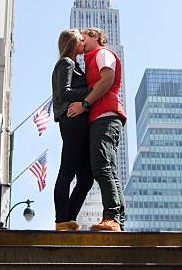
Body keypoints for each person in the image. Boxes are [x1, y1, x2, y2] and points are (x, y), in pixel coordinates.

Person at [67, 27, 127, 232]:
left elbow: (107, 79)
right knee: (106, 167)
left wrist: (83, 104)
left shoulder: (103, 53)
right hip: (100, 117)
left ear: (94, 37)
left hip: (106, 115)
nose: (81, 44)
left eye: (83, 39)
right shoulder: (90, 60)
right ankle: (117, 220)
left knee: (102, 166)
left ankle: (111, 217)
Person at [51, 29, 94, 231]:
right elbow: (64, 92)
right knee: (66, 172)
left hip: (78, 122)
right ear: (73, 42)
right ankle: (61, 220)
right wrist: (92, 90)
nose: (83, 42)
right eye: (80, 39)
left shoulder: (74, 64)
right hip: (72, 121)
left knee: (86, 178)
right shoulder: (66, 63)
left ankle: (68, 219)